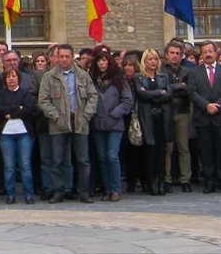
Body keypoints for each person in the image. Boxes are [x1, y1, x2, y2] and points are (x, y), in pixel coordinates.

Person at [38, 44, 98, 203]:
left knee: (83, 160)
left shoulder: (83, 76)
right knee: (58, 161)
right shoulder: (49, 77)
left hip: (80, 122)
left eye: (67, 56)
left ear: (72, 57)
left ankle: (83, 192)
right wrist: (55, 116)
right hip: (58, 124)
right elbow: (43, 101)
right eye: (61, 56)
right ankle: (59, 191)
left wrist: (87, 114)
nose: (64, 59)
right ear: (57, 57)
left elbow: (93, 96)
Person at [190, 41, 221, 195]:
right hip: (203, 118)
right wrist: (206, 106)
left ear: (216, 53)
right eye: (205, 52)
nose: (208, 54)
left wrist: (217, 105)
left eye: (210, 51)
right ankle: (210, 181)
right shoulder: (194, 72)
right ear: (201, 54)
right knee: (206, 151)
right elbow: (192, 93)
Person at [88, 48, 133, 202]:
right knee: (102, 157)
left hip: (115, 123)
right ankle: (107, 188)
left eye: (105, 60)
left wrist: (115, 113)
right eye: (99, 60)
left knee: (112, 156)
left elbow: (127, 101)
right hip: (98, 122)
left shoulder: (119, 78)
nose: (102, 63)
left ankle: (115, 189)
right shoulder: (92, 79)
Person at [0, 63, 36, 204]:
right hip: (6, 135)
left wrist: (10, 114)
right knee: (9, 166)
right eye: (9, 77)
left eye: (14, 76)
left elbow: (29, 109)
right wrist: (17, 108)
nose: (11, 79)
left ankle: (28, 194)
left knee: (25, 165)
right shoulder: (0, 94)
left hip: (24, 133)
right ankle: (10, 194)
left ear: (18, 78)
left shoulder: (25, 93)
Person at [132, 49, 170, 195]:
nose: (153, 62)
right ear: (144, 62)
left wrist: (152, 95)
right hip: (146, 118)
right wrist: (159, 92)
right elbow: (141, 94)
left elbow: (169, 96)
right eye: (150, 59)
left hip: (161, 117)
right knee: (149, 151)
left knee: (161, 151)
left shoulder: (163, 77)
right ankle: (150, 183)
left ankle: (161, 181)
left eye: (155, 59)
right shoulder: (139, 78)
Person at [160, 40, 193, 193]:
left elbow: (190, 90)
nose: (174, 56)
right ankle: (166, 178)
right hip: (166, 111)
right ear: (166, 55)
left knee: (183, 147)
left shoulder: (187, 71)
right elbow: (163, 89)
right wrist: (179, 86)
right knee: (167, 147)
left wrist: (171, 89)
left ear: (181, 56)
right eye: (172, 53)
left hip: (183, 111)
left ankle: (185, 179)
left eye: (177, 54)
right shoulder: (161, 71)